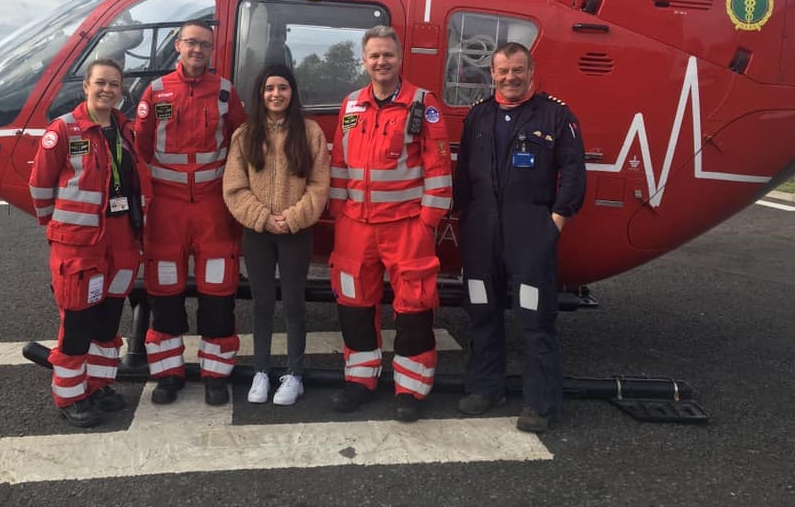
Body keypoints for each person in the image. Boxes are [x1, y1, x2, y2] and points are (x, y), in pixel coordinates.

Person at [453, 42, 586, 432]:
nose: (510, 77)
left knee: (535, 318)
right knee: (482, 312)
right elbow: (463, 175)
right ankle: (484, 388)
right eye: (502, 71)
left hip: (530, 236)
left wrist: (555, 223)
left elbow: (575, 172)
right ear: (491, 74)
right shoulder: (478, 116)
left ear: (531, 72)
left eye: (517, 70)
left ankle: (540, 405)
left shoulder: (556, 115)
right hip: (481, 235)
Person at [327, 25, 453, 423]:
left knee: (414, 308)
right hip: (355, 228)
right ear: (364, 61)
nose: (381, 62)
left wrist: (428, 222)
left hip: (406, 227)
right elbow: (339, 165)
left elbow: (438, 166)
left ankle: (410, 390)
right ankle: (359, 381)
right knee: (353, 305)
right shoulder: (350, 106)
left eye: (388, 55)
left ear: (400, 59)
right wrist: (339, 213)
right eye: (374, 56)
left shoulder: (423, 104)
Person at [29, 58, 147, 428]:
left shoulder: (125, 130)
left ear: (121, 89)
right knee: (78, 323)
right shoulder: (63, 131)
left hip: (121, 240)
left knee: (108, 320)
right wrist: (62, 227)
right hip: (79, 245)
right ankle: (69, 395)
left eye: (114, 84)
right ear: (86, 86)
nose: (107, 90)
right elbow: (39, 188)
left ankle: (97, 385)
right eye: (101, 83)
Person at [134, 21, 247, 406]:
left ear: (212, 50)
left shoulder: (226, 92)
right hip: (168, 208)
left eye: (204, 45)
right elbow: (141, 150)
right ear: (178, 45)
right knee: (164, 291)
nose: (197, 49)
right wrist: (147, 206)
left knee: (219, 293)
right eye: (191, 43)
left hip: (214, 207)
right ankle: (168, 374)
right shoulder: (156, 91)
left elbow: (241, 143)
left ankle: (217, 375)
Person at [222, 64, 330, 405]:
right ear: (261, 93)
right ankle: (261, 372)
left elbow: (319, 185)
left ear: (292, 92)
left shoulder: (310, 132)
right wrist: (264, 218)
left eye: (283, 88)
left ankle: (294, 375)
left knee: (294, 304)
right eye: (269, 88)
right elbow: (234, 187)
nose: (276, 94)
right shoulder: (244, 134)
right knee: (263, 304)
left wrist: (293, 218)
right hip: (258, 233)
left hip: (296, 233)